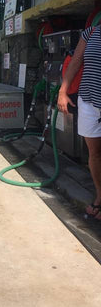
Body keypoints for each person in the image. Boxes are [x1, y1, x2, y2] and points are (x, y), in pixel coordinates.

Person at [57, 23, 101, 219]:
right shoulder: (91, 32)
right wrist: (62, 91)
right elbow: (75, 62)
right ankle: (100, 196)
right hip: (90, 100)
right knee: (95, 153)